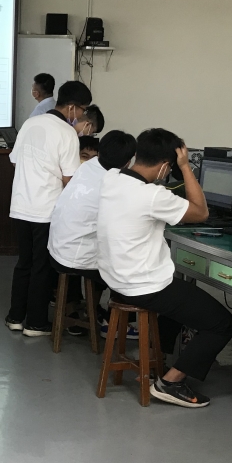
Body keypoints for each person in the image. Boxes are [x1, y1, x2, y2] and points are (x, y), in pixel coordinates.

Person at [97, 128, 232, 408]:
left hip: (116, 280)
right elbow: (201, 212)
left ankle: (153, 361)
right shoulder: (152, 196)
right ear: (164, 166)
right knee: (222, 324)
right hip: (143, 286)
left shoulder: (112, 178)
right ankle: (170, 383)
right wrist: (185, 166)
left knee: (183, 299)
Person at [6, 80, 89, 336]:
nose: (81, 116)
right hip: (46, 209)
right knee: (42, 266)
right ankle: (36, 323)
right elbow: (69, 179)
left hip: (21, 205)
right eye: (82, 110)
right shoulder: (67, 133)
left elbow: (14, 161)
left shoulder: (31, 123)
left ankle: (15, 317)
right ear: (72, 107)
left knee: (24, 263)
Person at [49, 130, 136, 329]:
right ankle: (116, 324)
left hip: (57, 249)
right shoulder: (113, 182)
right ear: (128, 162)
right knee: (125, 266)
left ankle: (92, 310)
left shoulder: (88, 166)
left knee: (109, 255)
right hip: (74, 256)